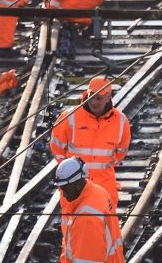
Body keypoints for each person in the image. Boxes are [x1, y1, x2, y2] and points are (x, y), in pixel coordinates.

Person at [50, 76, 131, 209]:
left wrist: (100, 169)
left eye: (99, 98)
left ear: (108, 97)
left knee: (106, 226)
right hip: (75, 187)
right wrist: (70, 172)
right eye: (91, 96)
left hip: (104, 186)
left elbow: (121, 153)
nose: (93, 102)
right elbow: (56, 148)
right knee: (74, 225)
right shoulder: (69, 117)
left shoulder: (121, 121)